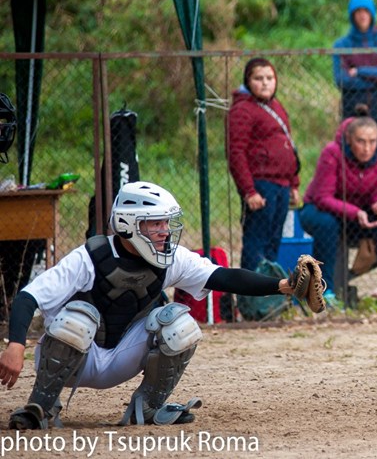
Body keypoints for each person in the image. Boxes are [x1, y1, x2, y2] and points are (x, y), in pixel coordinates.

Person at [0, 181, 297, 430]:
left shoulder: (170, 257)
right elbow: (29, 297)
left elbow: (224, 277)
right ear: (129, 224)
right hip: (77, 360)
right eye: (156, 223)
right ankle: (41, 406)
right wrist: (15, 345)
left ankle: (149, 407)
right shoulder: (90, 257)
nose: (165, 231)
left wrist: (284, 285)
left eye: (166, 222)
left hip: (121, 358)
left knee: (179, 324)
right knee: (79, 319)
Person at [299, 110, 377, 310]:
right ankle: (325, 291)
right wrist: (356, 213)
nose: (367, 148)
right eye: (361, 141)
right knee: (327, 224)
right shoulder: (332, 152)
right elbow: (322, 197)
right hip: (318, 211)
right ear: (349, 139)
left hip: (356, 215)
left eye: (372, 141)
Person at [227, 58, 301, 274]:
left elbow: (289, 145)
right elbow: (236, 153)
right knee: (256, 243)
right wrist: (249, 191)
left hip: (282, 184)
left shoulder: (276, 106)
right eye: (258, 78)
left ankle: (268, 289)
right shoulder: (242, 110)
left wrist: (294, 184)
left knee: (273, 241)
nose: (265, 83)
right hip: (261, 185)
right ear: (248, 82)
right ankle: (250, 290)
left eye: (270, 78)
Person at [333, 0, 377, 124]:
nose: (362, 15)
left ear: (372, 13)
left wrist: (359, 72)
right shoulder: (342, 45)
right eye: (358, 11)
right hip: (352, 109)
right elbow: (341, 80)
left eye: (366, 11)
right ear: (352, 15)